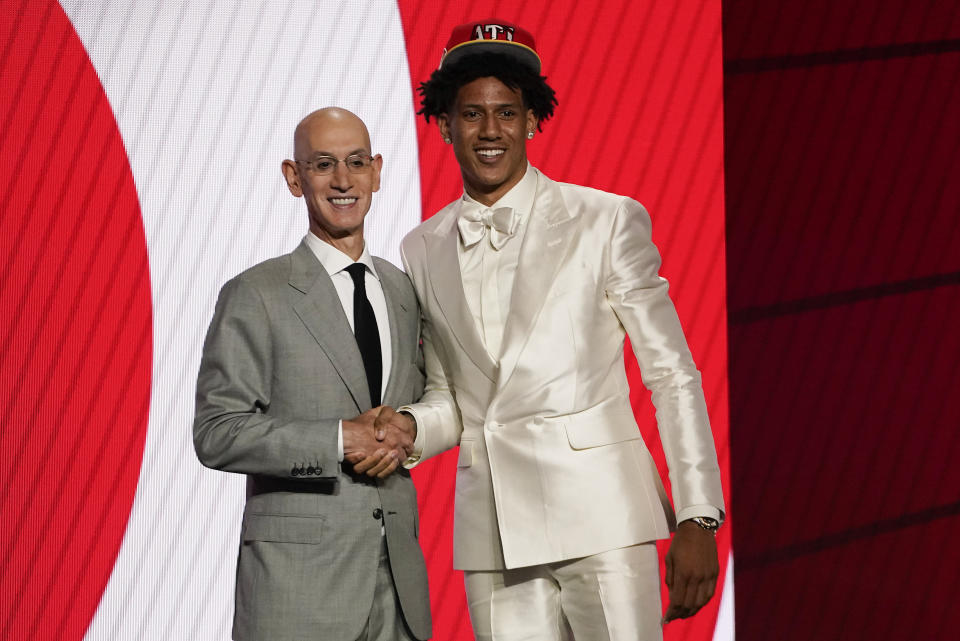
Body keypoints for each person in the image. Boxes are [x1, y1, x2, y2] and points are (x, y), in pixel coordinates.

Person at [372, 19, 725, 641]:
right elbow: (453, 397)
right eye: (471, 114)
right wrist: (408, 428)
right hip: (494, 535)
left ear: (533, 121)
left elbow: (671, 372)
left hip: (606, 519)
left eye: (506, 113)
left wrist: (698, 514)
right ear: (444, 124)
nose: (489, 131)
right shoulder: (420, 245)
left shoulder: (606, 219)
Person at [193, 107, 431, 641]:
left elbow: (417, 406)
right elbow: (216, 432)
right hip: (296, 594)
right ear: (293, 177)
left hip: (399, 590)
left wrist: (409, 427)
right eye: (324, 164)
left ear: (377, 171)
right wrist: (334, 440)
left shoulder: (402, 290)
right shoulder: (255, 293)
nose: (343, 181)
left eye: (355, 163)